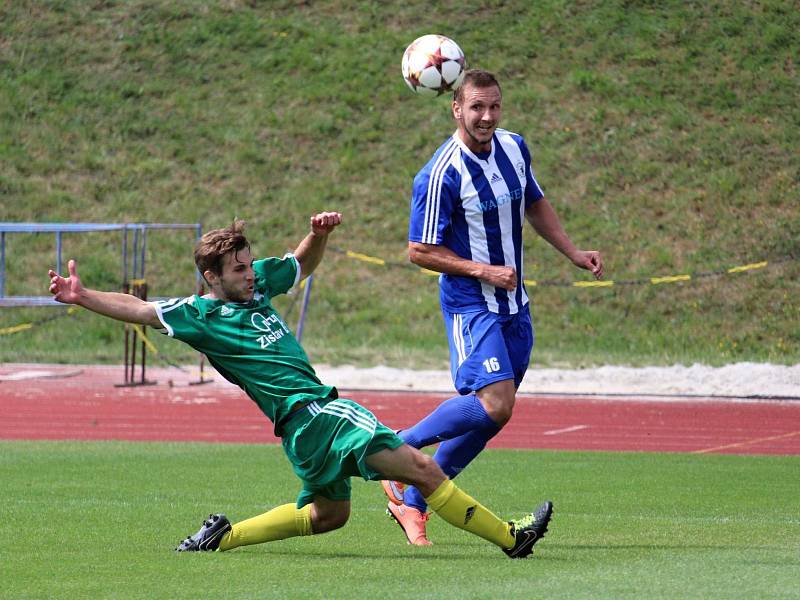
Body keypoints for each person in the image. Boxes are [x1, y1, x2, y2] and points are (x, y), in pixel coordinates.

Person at [48, 211, 552, 558]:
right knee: (420, 468)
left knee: (330, 515)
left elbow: (301, 264)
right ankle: (511, 538)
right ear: (211, 276)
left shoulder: (259, 283)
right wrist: (82, 294)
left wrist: (319, 235)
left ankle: (221, 539)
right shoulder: (199, 315)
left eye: (249, 265)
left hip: (300, 432)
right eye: (239, 270)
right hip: (316, 413)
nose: (250, 275)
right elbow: (138, 308)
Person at [381, 69, 603, 546]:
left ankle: (413, 502)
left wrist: (573, 252)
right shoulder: (440, 173)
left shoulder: (514, 147)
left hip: (514, 305)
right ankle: (394, 447)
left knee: (495, 414)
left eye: (494, 106)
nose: (486, 116)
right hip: (471, 304)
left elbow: (535, 203)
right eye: (476, 107)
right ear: (456, 108)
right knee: (495, 401)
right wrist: (484, 270)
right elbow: (420, 250)